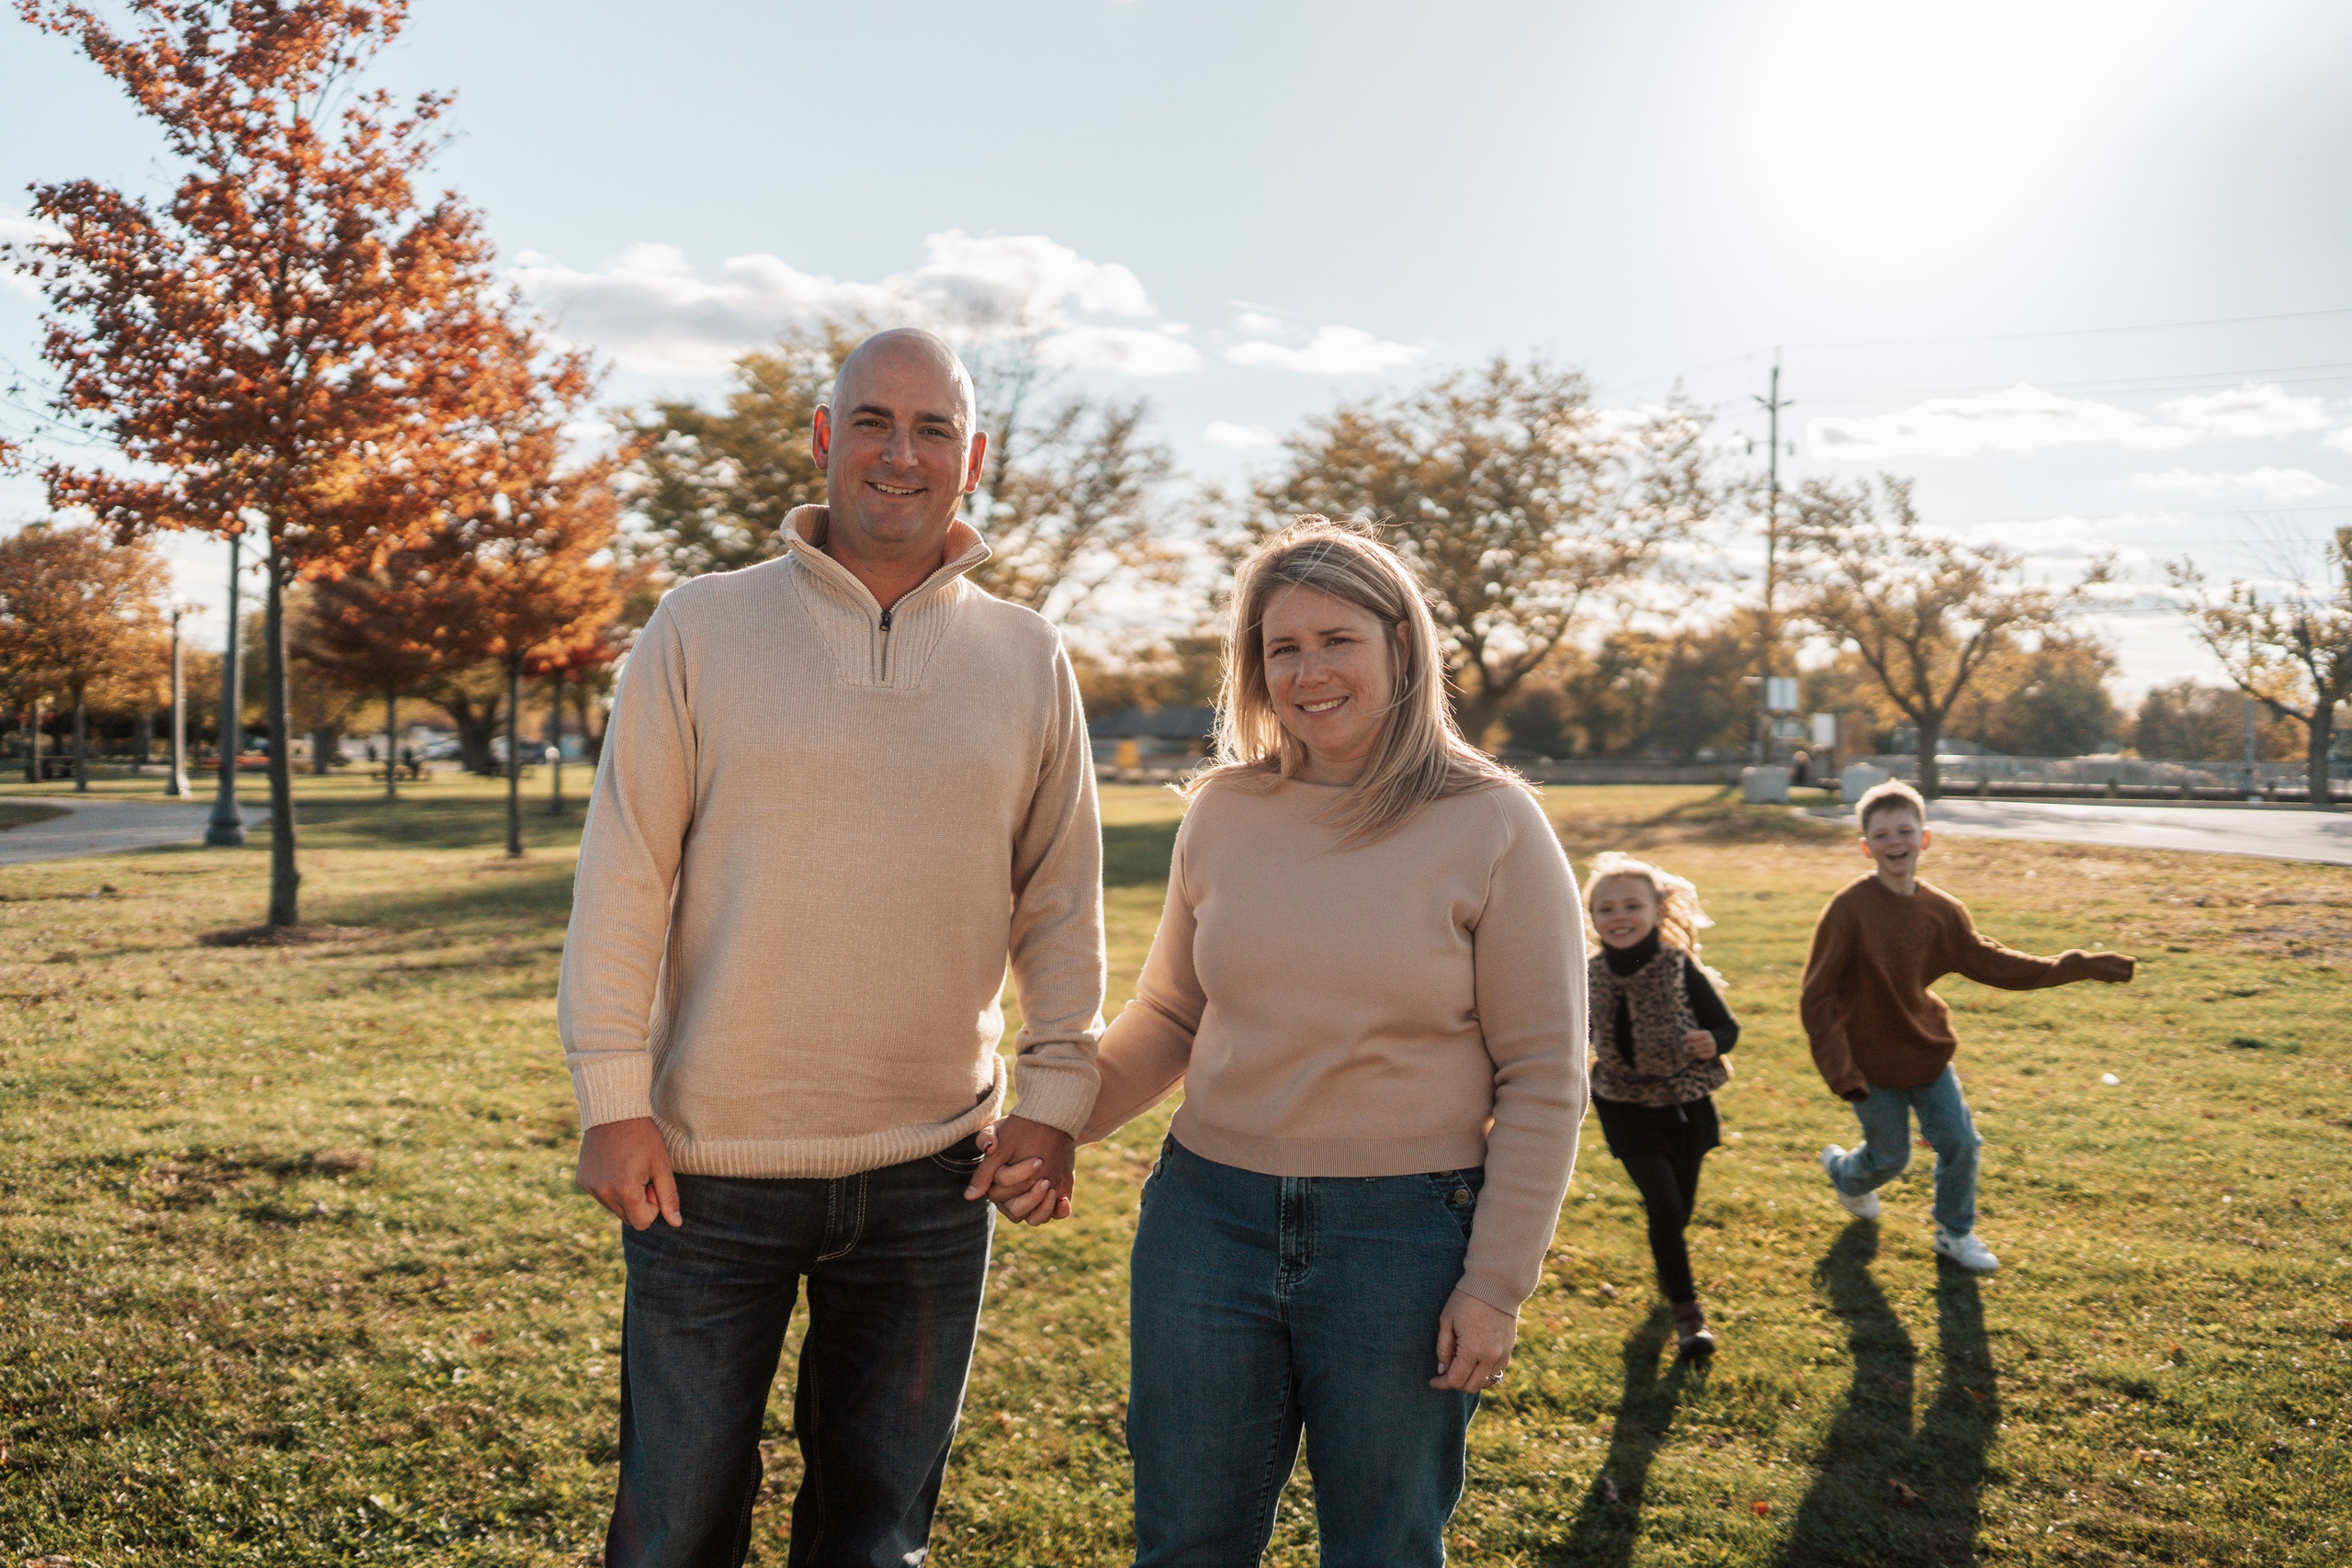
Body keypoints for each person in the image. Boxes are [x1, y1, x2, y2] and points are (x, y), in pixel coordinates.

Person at [560, 327, 1106, 1568]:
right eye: (871, 419)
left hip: (934, 1170)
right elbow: (625, 874)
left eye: (929, 429)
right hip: (706, 1169)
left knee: (875, 1540)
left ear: (973, 455)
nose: (898, 452)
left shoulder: (1028, 655)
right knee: (672, 1532)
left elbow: (1061, 897)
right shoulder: (698, 625)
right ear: (823, 438)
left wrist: (1059, 1092)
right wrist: (612, 1096)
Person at [996, 516, 1587, 1566]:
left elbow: (1543, 1077)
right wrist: (1053, 1124)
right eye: (1282, 648)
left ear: (1399, 644)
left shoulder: (1493, 824)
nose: (1308, 672)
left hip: (1404, 1242)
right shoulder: (1224, 810)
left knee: (1382, 1550)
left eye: (1336, 640)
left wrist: (1494, 1283)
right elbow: (1173, 1014)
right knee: (1185, 1544)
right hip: (1205, 1225)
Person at [1802, 778, 2134, 1271]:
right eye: (1883, 834)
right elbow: (1817, 995)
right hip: (1869, 1061)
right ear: (1865, 846)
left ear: (1925, 839)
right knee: (1890, 1158)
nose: (1895, 842)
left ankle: (1954, 1233)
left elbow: (1992, 962)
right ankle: (1845, 1175)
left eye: (1905, 831)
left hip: (1927, 1050)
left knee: (1960, 1142)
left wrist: (2074, 965)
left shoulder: (1942, 911)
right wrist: (1839, 1068)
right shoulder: (1849, 910)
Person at [1583, 852, 1738, 1359]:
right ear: (1592, 917)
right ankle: (1689, 1317)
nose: (1619, 916)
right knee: (1665, 1206)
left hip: (1685, 1102)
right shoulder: (1588, 974)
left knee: (1678, 1212)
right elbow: (1574, 1034)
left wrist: (1712, 1041)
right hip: (1624, 1103)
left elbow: (1727, 1028)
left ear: (1657, 910)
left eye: (1632, 905)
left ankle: (1667, 1262)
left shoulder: (1677, 965)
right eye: (1606, 909)